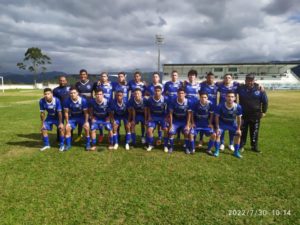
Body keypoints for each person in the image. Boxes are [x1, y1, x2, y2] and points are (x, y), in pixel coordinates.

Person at [237, 74, 268, 153]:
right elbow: (230, 89)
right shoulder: (240, 88)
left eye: (251, 80)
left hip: (255, 114)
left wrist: (264, 111)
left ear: (254, 81)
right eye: (248, 80)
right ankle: (241, 146)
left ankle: (254, 146)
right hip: (243, 114)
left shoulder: (259, 89)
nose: (250, 82)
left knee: (254, 131)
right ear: (245, 81)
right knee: (243, 131)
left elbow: (265, 101)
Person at [214, 91, 243, 158]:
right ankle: (217, 151)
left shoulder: (238, 107)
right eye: (228, 96)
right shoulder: (220, 106)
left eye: (232, 97)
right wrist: (217, 127)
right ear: (225, 97)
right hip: (222, 124)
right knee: (217, 134)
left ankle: (236, 152)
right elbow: (217, 117)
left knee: (238, 134)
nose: (230, 98)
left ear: (234, 98)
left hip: (232, 124)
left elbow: (239, 119)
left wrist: (239, 129)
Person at [216, 73, 239, 151]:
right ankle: (222, 143)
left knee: (232, 127)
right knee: (222, 126)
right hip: (222, 109)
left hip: (232, 108)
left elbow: (244, 84)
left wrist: (259, 85)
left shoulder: (236, 85)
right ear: (224, 79)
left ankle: (231, 144)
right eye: (226, 78)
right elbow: (212, 82)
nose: (227, 79)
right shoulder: (220, 86)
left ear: (231, 78)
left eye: (229, 78)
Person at [168, 88, 193, 154]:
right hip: (175, 121)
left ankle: (186, 147)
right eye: (179, 93)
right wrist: (170, 125)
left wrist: (188, 125)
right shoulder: (173, 101)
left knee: (187, 132)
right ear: (177, 94)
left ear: (185, 94)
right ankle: (171, 147)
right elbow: (170, 114)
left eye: (182, 93)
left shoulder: (188, 102)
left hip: (184, 121)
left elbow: (189, 114)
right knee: (170, 132)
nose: (181, 94)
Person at [144, 86, 169, 152]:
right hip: (153, 116)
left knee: (166, 129)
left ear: (161, 92)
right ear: (154, 91)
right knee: (149, 130)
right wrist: (149, 116)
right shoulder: (150, 99)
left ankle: (165, 145)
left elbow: (169, 109)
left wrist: (167, 117)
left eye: (158, 91)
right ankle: (150, 145)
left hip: (162, 117)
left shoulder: (165, 98)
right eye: (156, 91)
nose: (157, 92)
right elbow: (148, 108)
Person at [198, 72, 218, 147]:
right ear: (206, 78)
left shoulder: (217, 86)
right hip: (204, 107)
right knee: (203, 122)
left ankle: (214, 140)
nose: (210, 79)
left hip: (213, 108)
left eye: (212, 78)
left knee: (213, 124)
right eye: (208, 77)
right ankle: (201, 139)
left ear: (214, 78)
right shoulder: (202, 85)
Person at [93, 72, 114, 143]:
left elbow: (120, 85)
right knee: (100, 122)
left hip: (109, 105)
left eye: (104, 76)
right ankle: (101, 134)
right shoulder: (98, 85)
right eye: (102, 76)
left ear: (107, 77)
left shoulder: (112, 84)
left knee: (110, 123)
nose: (103, 77)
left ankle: (112, 137)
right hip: (100, 105)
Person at [74, 69, 94, 142]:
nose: (83, 76)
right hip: (81, 105)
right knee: (80, 120)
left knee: (90, 120)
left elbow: (98, 91)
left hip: (89, 105)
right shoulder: (77, 84)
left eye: (84, 74)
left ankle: (91, 136)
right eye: (81, 74)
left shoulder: (92, 83)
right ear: (80, 75)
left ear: (87, 75)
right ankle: (79, 135)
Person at [128, 71, 147, 143]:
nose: (137, 77)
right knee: (131, 122)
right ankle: (132, 137)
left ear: (140, 77)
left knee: (143, 123)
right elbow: (126, 88)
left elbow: (147, 92)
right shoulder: (131, 83)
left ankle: (143, 136)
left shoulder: (143, 84)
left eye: (138, 76)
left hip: (141, 104)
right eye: (135, 76)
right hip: (133, 103)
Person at [146, 72, 164, 144]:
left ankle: (159, 138)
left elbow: (164, 96)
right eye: (154, 77)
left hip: (160, 107)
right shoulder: (150, 86)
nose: (155, 78)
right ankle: (150, 139)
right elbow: (146, 94)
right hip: (152, 107)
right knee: (150, 125)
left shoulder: (162, 86)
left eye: (156, 77)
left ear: (159, 78)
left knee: (160, 125)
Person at [53, 75, 70, 142]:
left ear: (66, 81)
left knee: (69, 124)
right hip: (59, 110)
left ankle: (69, 136)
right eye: (61, 80)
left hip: (69, 110)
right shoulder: (55, 90)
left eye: (63, 80)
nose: (62, 82)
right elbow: (54, 100)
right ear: (59, 81)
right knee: (60, 124)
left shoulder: (69, 88)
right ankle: (59, 137)